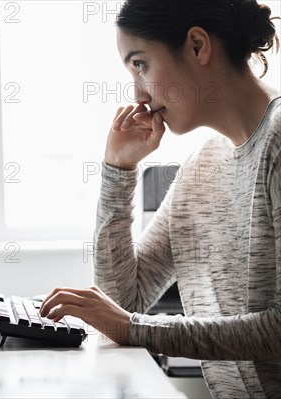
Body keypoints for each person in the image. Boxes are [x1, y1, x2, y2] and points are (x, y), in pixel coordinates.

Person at [38, 0, 281, 397]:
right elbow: (123, 299)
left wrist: (134, 328)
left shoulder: (279, 141)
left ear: (198, 46)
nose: (138, 95)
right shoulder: (203, 167)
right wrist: (118, 169)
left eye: (140, 64)